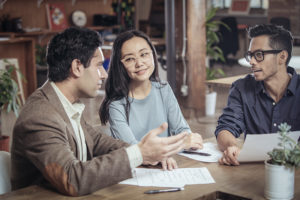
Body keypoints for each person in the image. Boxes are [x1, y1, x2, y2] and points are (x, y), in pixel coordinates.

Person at [11, 27, 188, 196]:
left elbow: (97, 142)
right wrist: (140, 154)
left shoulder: (64, 103)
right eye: (99, 65)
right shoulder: (41, 116)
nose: (103, 74)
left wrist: (147, 153)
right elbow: (72, 179)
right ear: (77, 67)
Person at [99, 30, 203, 169]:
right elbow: (134, 150)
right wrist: (180, 145)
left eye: (144, 54)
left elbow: (182, 131)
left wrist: (189, 140)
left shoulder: (164, 89)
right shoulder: (116, 105)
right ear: (120, 65)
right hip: (136, 174)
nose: (139, 63)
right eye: (130, 59)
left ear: (153, 55)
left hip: (167, 168)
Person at [215, 24, 300, 166]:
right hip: (252, 173)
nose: (252, 62)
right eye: (250, 55)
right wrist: (231, 146)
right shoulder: (241, 88)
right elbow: (226, 127)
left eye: (259, 55)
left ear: (282, 57)